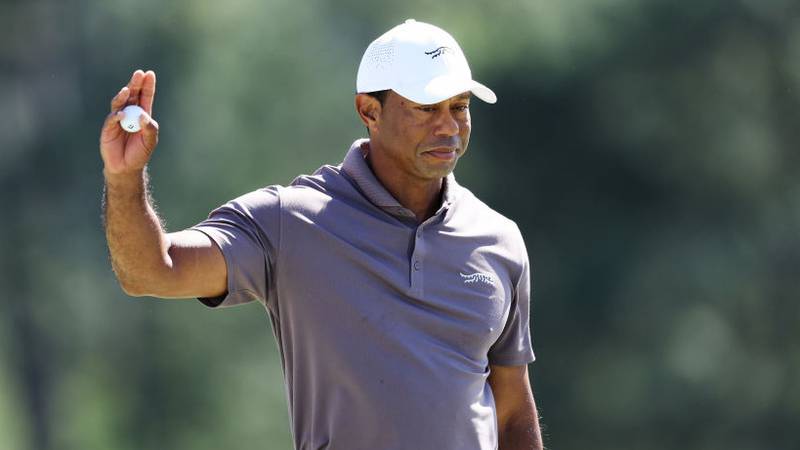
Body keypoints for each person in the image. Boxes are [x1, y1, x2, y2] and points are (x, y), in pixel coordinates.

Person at [100, 19, 543, 450]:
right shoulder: (288, 221)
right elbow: (151, 271)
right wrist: (124, 178)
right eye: (426, 108)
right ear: (369, 110)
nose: (448, 126)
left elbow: (511, 411)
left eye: (459, 106)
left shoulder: (498, 240)